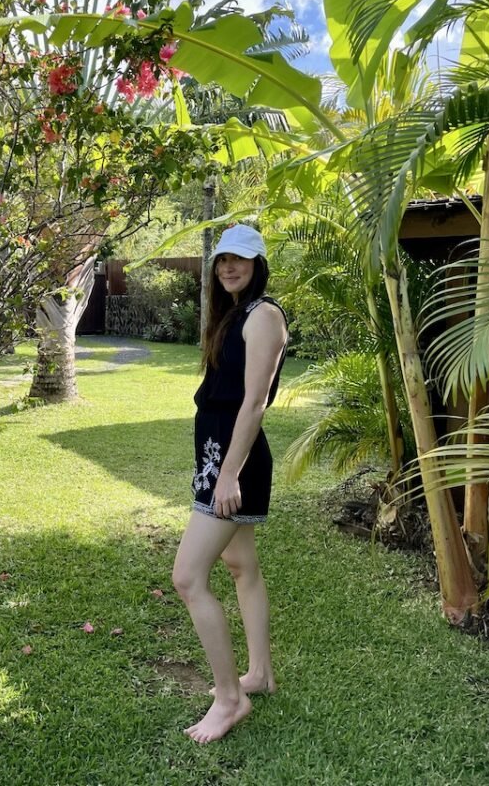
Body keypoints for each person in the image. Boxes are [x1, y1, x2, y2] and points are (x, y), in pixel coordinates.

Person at [172, 224, 288, 744]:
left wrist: (229, 474)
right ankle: (259, 674)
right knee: (241, 565)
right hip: (218, 460)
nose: (227, 269)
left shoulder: (264, 316)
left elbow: (255, 403)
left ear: (258, 263)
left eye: (238, 260)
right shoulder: (234, 316)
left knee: (188, 577)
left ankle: (229, 697)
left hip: (232, 464)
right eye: (221, 261)